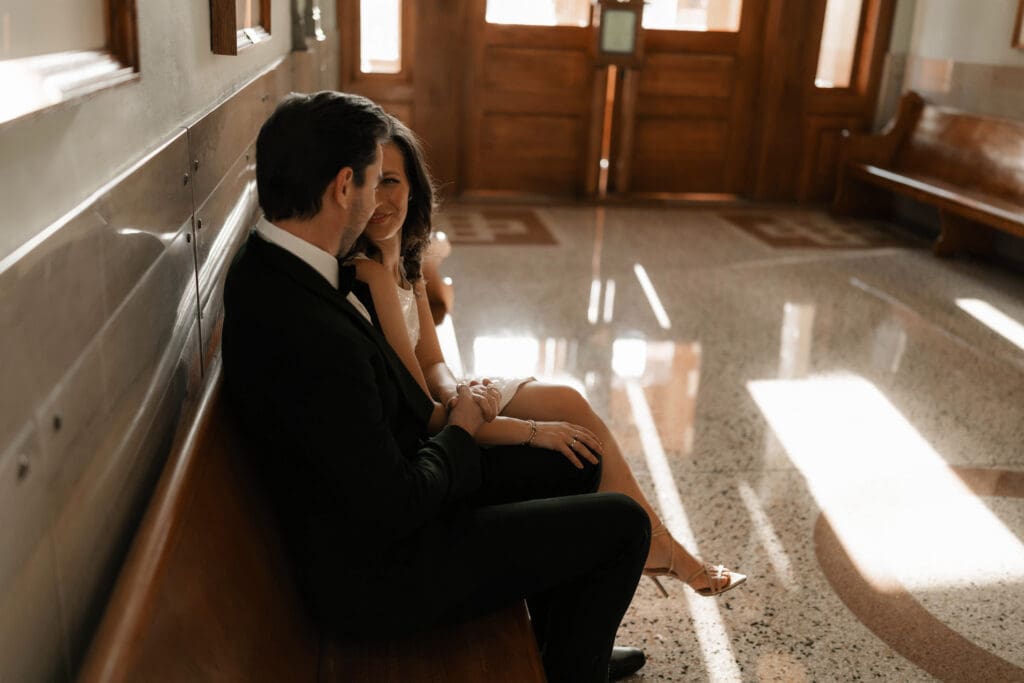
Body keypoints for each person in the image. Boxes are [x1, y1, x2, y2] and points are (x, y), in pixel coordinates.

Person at [221, 90, 651, 683]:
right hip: (379, 576)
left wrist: (464, 422)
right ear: (344, 187)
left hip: (376, 511)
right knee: (624, 525)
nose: (377, 202)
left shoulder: (278, 265)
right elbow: (396, 506)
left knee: (572, 461)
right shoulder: (309, 329)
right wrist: (463, 433)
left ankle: (567, 650)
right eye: (374, 183)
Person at [347, 114, 746, 598]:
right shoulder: (369, 273)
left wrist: (459, 389)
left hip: (441, 405)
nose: (379, 199)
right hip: (424, 440)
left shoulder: (403, 258)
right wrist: (531, 431)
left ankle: (656, 546)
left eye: (391, 181)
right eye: (369, 181)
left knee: (567, 400)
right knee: (566, 430)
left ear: (413, 187)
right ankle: (659, 548)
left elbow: (431, 362)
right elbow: (424, 413)